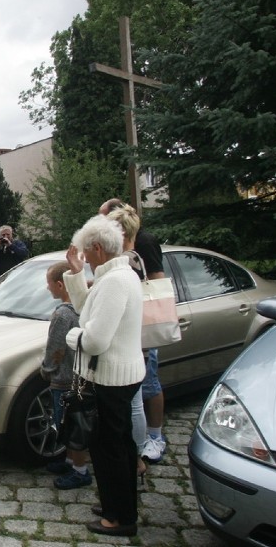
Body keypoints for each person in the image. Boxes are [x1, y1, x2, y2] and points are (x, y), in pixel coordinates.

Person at [64, 214, 144, 537]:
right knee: (120, 446)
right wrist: (75, 273)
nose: (85, 256)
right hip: (119, 375)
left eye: (86, 251)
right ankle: (118, 503)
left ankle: (119, 517)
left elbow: (95, 339)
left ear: (98, 247)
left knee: (109, 450)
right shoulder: (118, 275)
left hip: (111, 379)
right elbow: (87, 308)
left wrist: (73, 336)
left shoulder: (115, 281)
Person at [100, 198, 168, 463]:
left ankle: (154, 438)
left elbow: (157, 284)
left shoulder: (144, 244)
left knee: (148, 385)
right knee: (138, 393)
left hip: (141, 327)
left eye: (104, 219)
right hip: (127, 327)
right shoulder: (118, 252)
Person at [40, 262, 91, 490]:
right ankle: (70, 461)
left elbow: (55, 349)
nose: (47, 287)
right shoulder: (84, 306)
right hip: (81, 376)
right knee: (74, 421)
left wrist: (46, 369)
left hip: (64, 379)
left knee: (70, 425)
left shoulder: (62, 314)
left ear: (60, 285)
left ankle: (80, 471)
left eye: (49, 283)